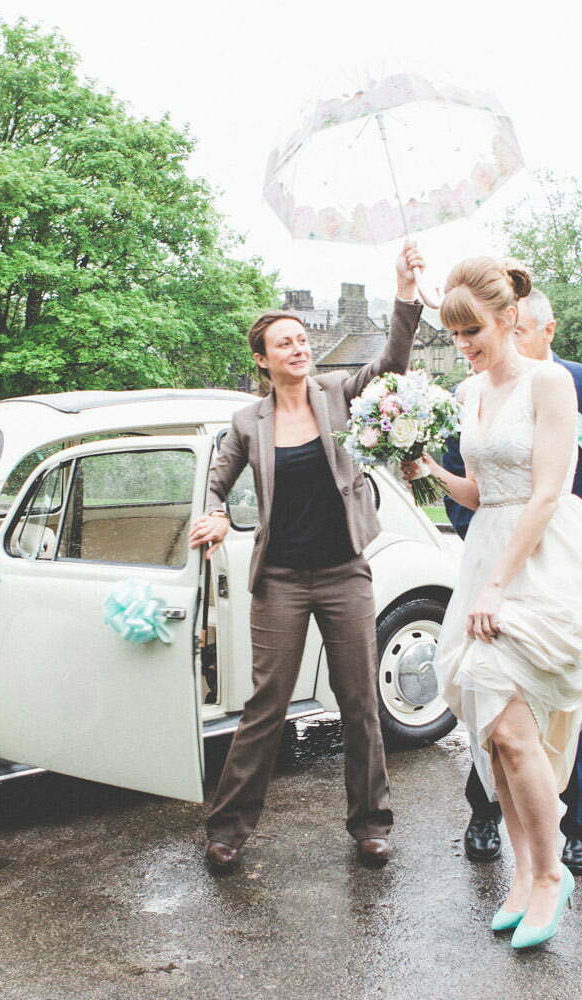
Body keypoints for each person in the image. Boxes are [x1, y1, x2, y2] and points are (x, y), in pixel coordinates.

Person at [187, 241, 425, 872]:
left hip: (345, 573)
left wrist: (404, 293)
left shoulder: (338, 393)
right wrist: (214, 513)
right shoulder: (248, 422)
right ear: (262, 360)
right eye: (284, 343)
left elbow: (393, 364)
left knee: (359, 702)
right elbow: (216, 482)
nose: (298, 348)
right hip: (281, 580)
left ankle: (371, 824)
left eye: (301, 339)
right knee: (266, 706)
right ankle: (228, 829)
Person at [402, 257, 582, 950]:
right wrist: (429, 471)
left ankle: (552, 875)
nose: (462, 344)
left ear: (507, 318)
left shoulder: (548, 382)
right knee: (490, 730)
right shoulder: (468, 392)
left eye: (472, 331)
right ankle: (523, 874)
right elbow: (480, 491)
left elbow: (547, 491)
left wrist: (498, 583)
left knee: (516, 728)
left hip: (541, 558)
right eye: (454, 333)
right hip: (487, 549)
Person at [441, 289, 582, 874]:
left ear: (542, 329)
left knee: (571, 703)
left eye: (516, 333)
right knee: (490, 692)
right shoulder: (472, 390)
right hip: (498, 562)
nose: (482, 346)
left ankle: (581, 828)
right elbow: (468, 480)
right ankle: (486, 814)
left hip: (569, 569)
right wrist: (489, 539)